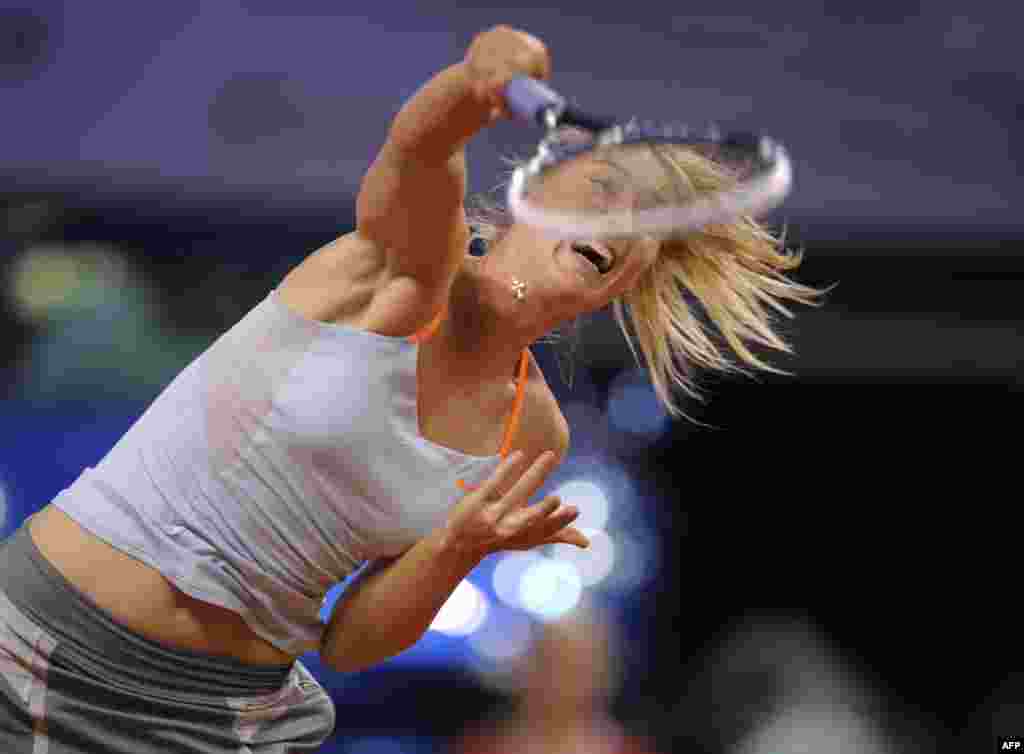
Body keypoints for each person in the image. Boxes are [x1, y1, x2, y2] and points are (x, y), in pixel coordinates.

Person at [0, 25, 820, 753]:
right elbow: (420, 151)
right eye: (601, 199)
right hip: (45, 643)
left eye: (633, 236)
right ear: (525, 204)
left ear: (617, 289)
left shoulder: (533, 436)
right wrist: (471, 86)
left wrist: (459, 545)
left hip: (225, 716)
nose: (613, 227)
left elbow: (352, 643)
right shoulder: (402, 266)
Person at [453, 606, 658, 754]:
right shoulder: (479, 747)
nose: (560, 679)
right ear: (525, 668)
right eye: (550, 662)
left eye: (576, 666)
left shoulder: (633, 749)